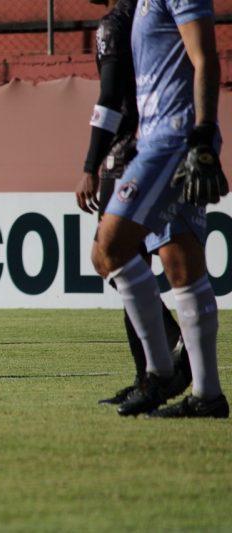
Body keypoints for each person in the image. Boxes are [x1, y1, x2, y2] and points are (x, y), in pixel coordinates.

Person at [91, 0, 229, 417]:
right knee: (183, 267)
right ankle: (207, 395)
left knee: (108, 250)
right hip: (157, 139)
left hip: (172, 141)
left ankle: (159, 372)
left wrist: (202, 135)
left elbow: (205, 57)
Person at [76, 0, 190, 405]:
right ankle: (148, 374)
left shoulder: (117, 21)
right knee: (127, 263)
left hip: (124, 155)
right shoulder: (141, 17)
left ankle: (162, 363)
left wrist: (91, 164)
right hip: (152, 146)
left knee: (116, 259)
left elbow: (109, 98)